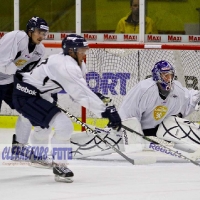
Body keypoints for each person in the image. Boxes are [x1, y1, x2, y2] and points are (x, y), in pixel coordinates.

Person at [12, 34, 122, 183]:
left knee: (44, 127)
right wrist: (104, 111)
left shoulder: (77, 64)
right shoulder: (65, 65)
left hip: (39, 94)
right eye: (82, 50)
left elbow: (80, 90)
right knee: (63, 125)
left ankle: (37, 155)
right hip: (26, 95)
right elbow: (80, 95)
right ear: (71, 51)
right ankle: (59, 165)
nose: (84, 53)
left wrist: (100, 100)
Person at [118, 60, 200, 157]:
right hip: (140, 131)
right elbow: (128, 114)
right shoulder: (143, 89)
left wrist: (197, 97)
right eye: (165, 75)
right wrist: (134, 141)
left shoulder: (176, 89)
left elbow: (189, 99)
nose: (169, 79)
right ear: (157, 75)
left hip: (159, 131)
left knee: (173, 122)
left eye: (171, 76)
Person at [0, 16, 49, 145]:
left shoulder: (39, 50)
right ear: (30, 30)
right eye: (39, 32)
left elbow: (27, 72)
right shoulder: (17, 36)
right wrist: (19, 73)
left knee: (26, 111)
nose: (42, 36)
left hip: (9, 82)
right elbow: (3, 65)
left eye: (44, 33)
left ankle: (19, 147)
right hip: (5, 78)